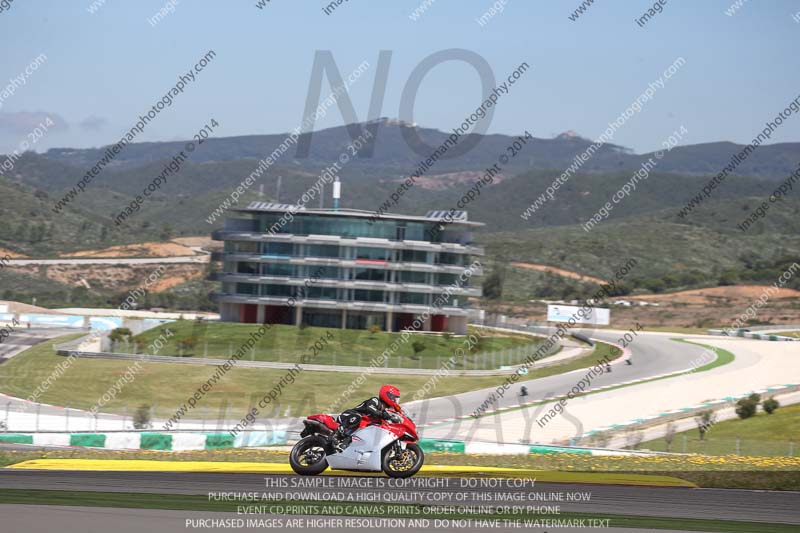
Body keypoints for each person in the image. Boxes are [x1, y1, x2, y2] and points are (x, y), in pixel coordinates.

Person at [332, 385, 402, 451]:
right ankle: (336, 435)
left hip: (357, 426)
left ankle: (345, 445)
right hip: (349, 416)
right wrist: (384, 415)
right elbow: (370, 408)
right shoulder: (375, 401)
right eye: (395, 398)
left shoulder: (385, 411)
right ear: (389, 396)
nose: (396, 401)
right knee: (357, 417)